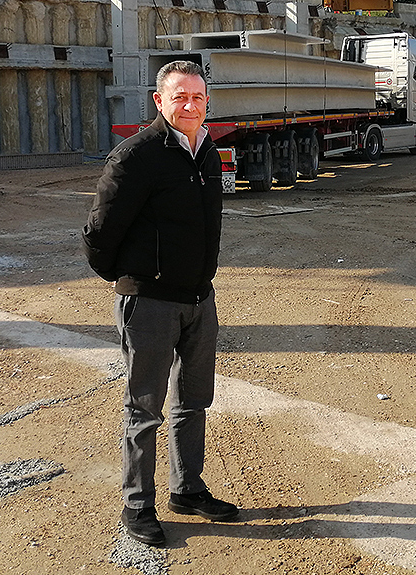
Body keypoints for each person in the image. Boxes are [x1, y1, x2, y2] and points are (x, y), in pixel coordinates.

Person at [82, 60, 237, 547]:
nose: (189, 106)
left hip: (199, 300)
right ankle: (137, 506)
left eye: (197, 97)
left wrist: (199, 282)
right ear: (159, 101)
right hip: (149, 303)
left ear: (206, 102)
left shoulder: (207, 152)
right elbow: (98, 235)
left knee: (193, 402)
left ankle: (188, 490)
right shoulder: (136, 156)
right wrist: (132, 280)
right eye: (179, 97)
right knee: (144, 408)